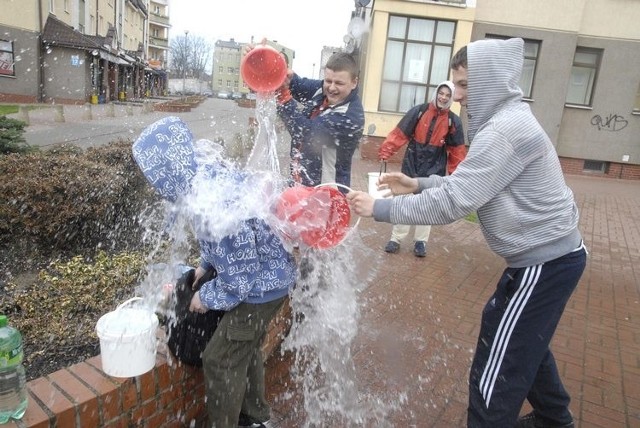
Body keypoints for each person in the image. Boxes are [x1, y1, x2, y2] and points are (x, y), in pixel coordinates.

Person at [347, 37, 586, 428]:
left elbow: (456, 202)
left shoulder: (504, 130)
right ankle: (555, 419)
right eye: (455, 84)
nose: (456, 96)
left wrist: (380, 208)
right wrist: (419, 183)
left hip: (546, 262)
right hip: (547, 257)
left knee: (498, 367)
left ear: (491, 81)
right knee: (520, 338)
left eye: (465, 85)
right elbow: (472, 185)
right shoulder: (503, 121)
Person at [132, 117, 297, 428]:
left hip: (260, 290)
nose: (153, 182)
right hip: (271, 281)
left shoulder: (214, 204)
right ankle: (256, 417)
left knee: (219, 359)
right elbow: (223, 243)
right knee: (244, 349)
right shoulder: (203, 180)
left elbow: (242, 274)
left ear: (167, 169)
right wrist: (206, 264)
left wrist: (206, 296)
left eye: (153, 174)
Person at [378, 80, 466, 257]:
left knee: (427, 206)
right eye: (441, 93)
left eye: (448, 95)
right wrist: (387, 150)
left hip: (434, 169)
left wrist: (458, 175)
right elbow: (400, 133)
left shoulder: (453, 121)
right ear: (436, 93)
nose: (443, 97)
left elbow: (457, 151)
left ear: (451, 98)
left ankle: (420, 242)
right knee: (403, 201)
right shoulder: (419, 111)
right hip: (412, 163)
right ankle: (396, 239)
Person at [273, 49, 365, 191]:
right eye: (328, 80)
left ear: (354, 83)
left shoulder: (350, 118)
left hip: (328, 196)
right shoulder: (323, 89)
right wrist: (275, 68)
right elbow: (297, 85)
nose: (332, 88)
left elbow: (303, 132)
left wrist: (284, 97)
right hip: (301, 186)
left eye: (339, 83)